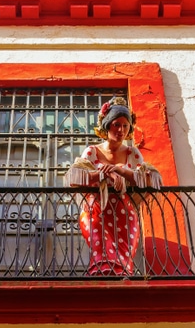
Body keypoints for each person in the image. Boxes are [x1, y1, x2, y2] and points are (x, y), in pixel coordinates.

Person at [66, 97, 161, 276]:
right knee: (101, 254)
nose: (121, 130)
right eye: (117, 124)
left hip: (125, 213)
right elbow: (76, 178)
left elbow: (148, 180)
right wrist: (104, 173)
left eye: (125, 126)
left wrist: (121, 171)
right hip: (96, 211)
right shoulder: (92, 151)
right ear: (107, 125)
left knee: (123, 259)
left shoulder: (132, 153)